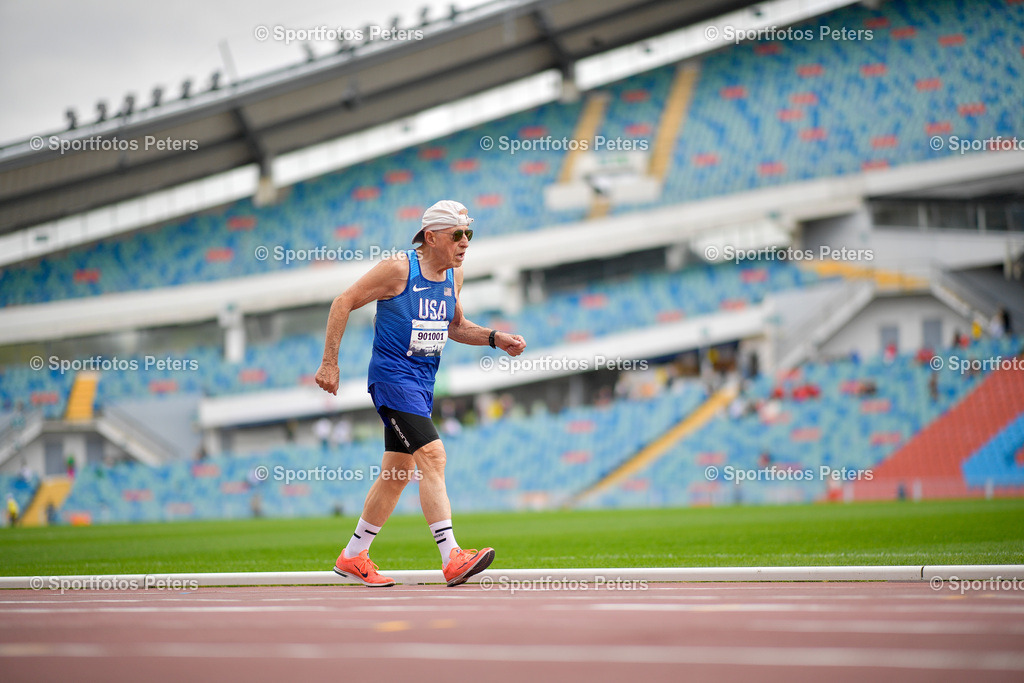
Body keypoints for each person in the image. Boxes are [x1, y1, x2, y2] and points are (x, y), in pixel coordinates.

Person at [314, 200, 527, 587]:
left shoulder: (454, 276)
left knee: (398, 473)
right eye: (457, 235)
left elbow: (456, 326)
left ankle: (353, 556)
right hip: (393, 378)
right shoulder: (398, 269)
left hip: (422, 385)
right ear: (430, 237)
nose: (465, 242)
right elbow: (342, 302)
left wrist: (495, 338)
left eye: (469, 234)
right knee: (433, 454)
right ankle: (452, 557)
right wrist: (330, 363)